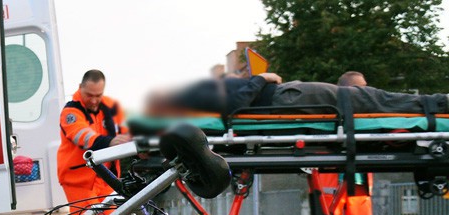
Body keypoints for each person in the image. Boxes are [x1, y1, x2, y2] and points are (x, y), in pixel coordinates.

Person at [312, 72, 376, 215]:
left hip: (355, 176)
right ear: (349, 89)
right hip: (333, 177)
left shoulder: (364, 109)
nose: (367, 90)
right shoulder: (332, 109)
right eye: (362, 87)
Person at [147, 71, 448, 116]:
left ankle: (433, 103)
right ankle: (438, 104)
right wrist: (260, 78)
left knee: (371, 99)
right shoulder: (197, 94)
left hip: (289, 95)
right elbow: (236, 106)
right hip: (288, 96)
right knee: (370, 98)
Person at [57, 70, 131, 215]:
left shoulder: (111, 106)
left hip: (106, 178)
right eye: (89, 95)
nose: (93, 100)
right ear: (80, 87)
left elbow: (127, 130)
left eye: (98, 95)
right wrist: (111, 141)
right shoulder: (70, 111)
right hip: (79, 179)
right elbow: (82, 136)